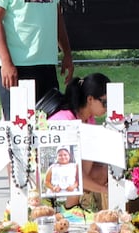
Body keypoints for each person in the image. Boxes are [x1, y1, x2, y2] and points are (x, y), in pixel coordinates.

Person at [46, 73, 110, 207]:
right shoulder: (65, 119)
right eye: (105, 103)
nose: (107, 108)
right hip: (52, 173)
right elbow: (68, 168)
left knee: (103, 170)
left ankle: (79, 203)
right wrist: (105, 190)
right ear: (90, 99)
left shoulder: (89, 120)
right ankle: (69, 208)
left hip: (71, 172)